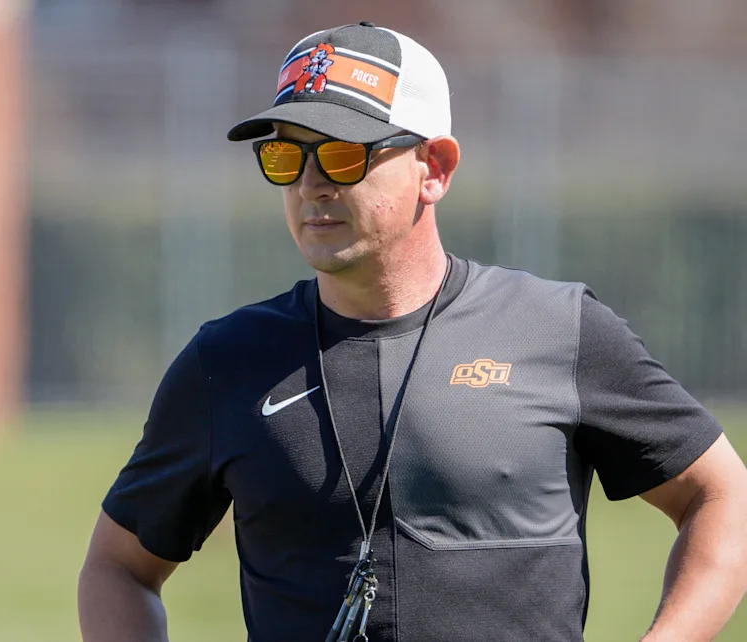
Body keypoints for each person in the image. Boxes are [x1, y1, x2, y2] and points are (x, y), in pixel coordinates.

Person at [78, 22, 747, 641]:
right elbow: (117, 567)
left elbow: (722, 496)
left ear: (435, 167)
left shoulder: (559, 330)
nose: (310, 184)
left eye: (341, 155)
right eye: (285, 156)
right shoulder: (226, 363)